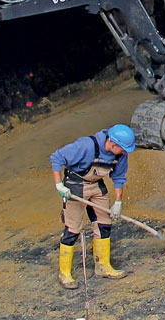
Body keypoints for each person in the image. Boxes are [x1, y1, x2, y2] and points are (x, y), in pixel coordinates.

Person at [50, 123, 135, 288]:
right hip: (75, 184)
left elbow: (119, 178)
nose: (124, 152)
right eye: (123, 149)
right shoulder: (86, 146)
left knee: (104, 224)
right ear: (112, 143)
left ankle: (103, 266)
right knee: (72, 228)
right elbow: (56, 157)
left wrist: (118, 202)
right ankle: (65, 273)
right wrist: (59, 185)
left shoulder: (120, 154)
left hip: (96, 185)